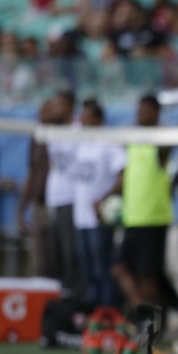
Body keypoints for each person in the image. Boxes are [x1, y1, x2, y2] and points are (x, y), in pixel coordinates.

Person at [104, 95, 176, 308]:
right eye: (138, 110)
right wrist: (107, 198)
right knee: (119, 269)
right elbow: (127, 176)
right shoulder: (134, 139)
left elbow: (166, 150)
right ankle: (143, 314)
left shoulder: (162, 140)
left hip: (153, 217)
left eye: (144, 110)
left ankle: (155, 322)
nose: (139, 115)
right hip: (132, 217)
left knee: (148, 276)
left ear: (155, 112)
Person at [72, 100, 125, 308]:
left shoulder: (108, 142)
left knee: (102, 268)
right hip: (81, 216)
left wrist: (105, 199)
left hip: (99, 217)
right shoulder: (81, 142)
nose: (82, 121)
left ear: (98, 120)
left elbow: (123, 173)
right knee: (87, 270)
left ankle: (109, 311)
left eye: (87, 117)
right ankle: (94, 313)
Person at [45, 90, 81, 298]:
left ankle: (75, 298)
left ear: (69, 106)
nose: (54, 109)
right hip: (55, 199)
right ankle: (63, 297)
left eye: (59, 105)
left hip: (71, 198)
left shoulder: (78, 131)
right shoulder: (53, 132)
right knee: (56, 254)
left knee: (71, 254)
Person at [17, 100, 53, 278]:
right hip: (39, 205)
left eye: (46, 111)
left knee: (61, 259)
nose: (41, 115)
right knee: (38, 263)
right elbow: (31, 173)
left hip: (61, 206)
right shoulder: (37, 137)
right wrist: (21, 209)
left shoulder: (65, 135)